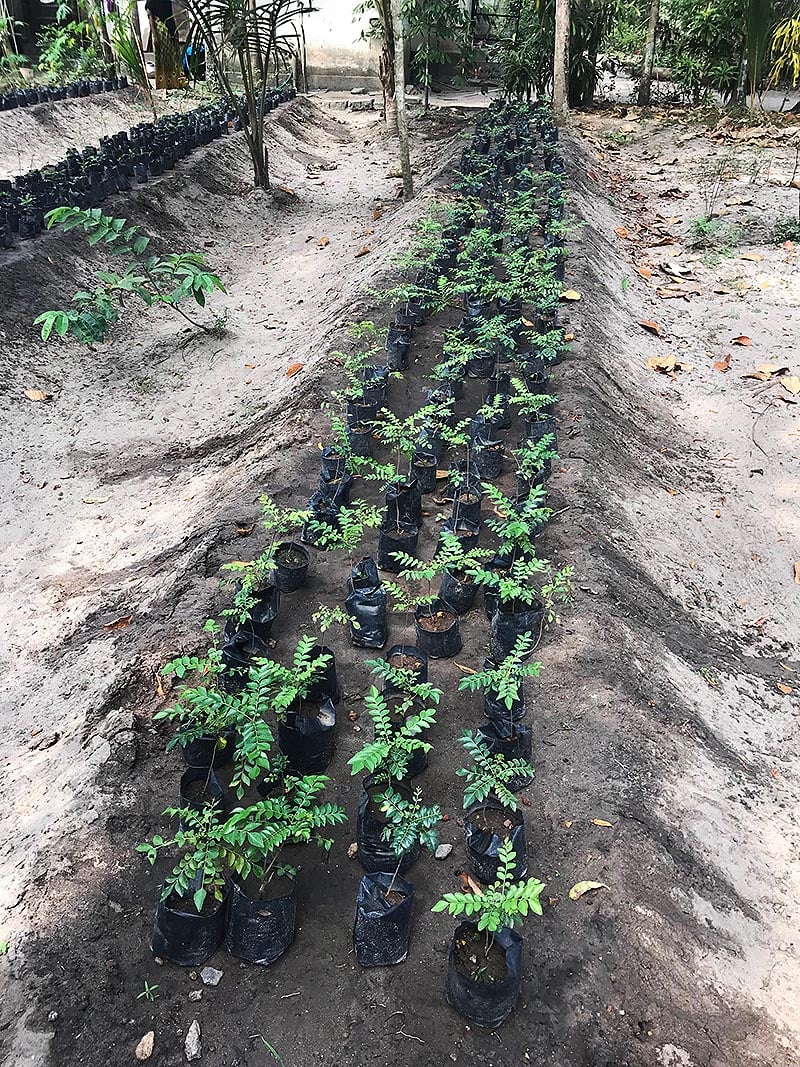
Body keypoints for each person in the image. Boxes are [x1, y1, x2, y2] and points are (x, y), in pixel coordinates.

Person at [145, 0, 186, 89]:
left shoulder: (167, 1)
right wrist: (155, 35)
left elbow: (170, 15)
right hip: (160, 32)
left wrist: (175, 31)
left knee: (173, 56)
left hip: (170, 30)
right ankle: (164, 84)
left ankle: (176, 82)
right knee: (162, 58)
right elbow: (150, 17)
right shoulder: (151, 2)